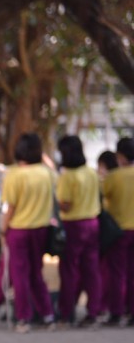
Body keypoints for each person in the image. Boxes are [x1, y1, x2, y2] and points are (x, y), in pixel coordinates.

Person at [0, 133, 56, 333]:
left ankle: (24, 317)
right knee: (36, 273)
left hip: (19, 230)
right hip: (41, 229)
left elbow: (10, 208)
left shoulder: (15, 175)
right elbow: (54, 171)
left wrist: (2, 229)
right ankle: (48, 314)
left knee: (20, 275)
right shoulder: (47, 173)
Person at [55, 135, 103, 327]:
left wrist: (57, 204)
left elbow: (65, 205)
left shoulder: (67, 176)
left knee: (68, 270)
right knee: (91, 270)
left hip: (73, 225)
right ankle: (94, 312)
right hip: (92, 223)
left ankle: (67, 312)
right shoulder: (91, 173)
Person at [101, 137, 134, 325]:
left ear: (119, 155)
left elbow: (103, 197)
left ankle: (116, 312)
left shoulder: (114, 177)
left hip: (119, 231)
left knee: (117, 274)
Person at [97, 150, 120, 319]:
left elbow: (103, 199)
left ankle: (112, 310)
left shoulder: (111, 179)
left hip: (114, 231)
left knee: (112, 273)